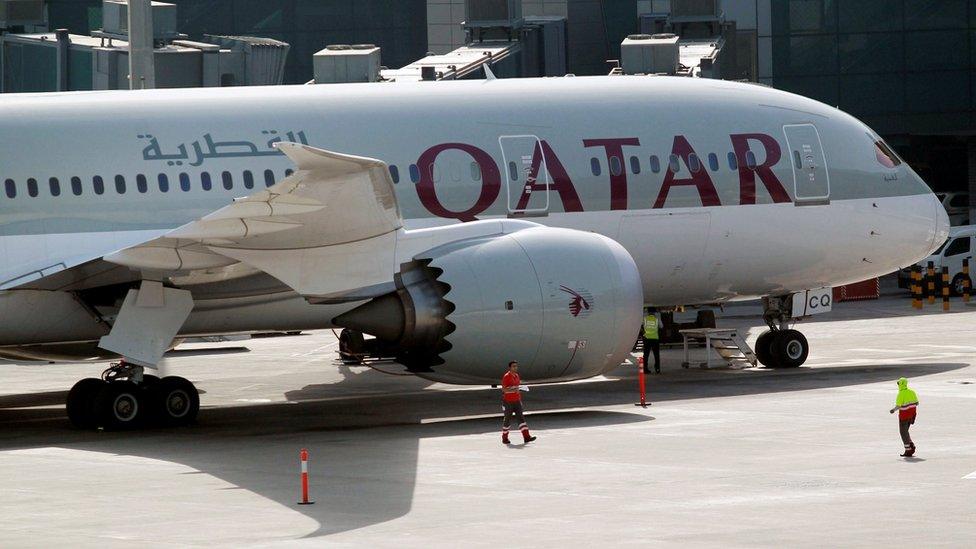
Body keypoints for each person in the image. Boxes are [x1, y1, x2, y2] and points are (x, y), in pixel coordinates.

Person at [501, 361, 536, 445]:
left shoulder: (517, 376)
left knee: (521, 418)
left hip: (517, 401)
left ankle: (526, 437)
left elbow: (516, 387)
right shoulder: (506, 377)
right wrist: (514, 389)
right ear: (510, 368)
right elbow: (504, 390)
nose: (515, 368)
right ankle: (504, 437)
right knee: (507, 420)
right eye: (513, 366)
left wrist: (519, 389)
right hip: (508, 402)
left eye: (516, 366)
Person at [889, 377, 919, 457]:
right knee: (906, 431)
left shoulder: (900, 394)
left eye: (898, 383)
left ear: (901, 384)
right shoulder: (912, 392)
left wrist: (893, 410)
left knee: (903, 432)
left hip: (904, 416)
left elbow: (898, 406)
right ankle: (911, 445)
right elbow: (917, 403)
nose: (898, 385)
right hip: (912, 415)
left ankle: (908, 450)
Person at [642, 308, 661, 374]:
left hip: (647, 338)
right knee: (656, 355)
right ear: (654, 312)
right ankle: (657, 369)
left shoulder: (645, 319)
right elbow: (661, 326)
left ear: (648, 312)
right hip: (655, 339)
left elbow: (642, 325)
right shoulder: (657, 319)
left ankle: (645, 369)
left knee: (646, 355)